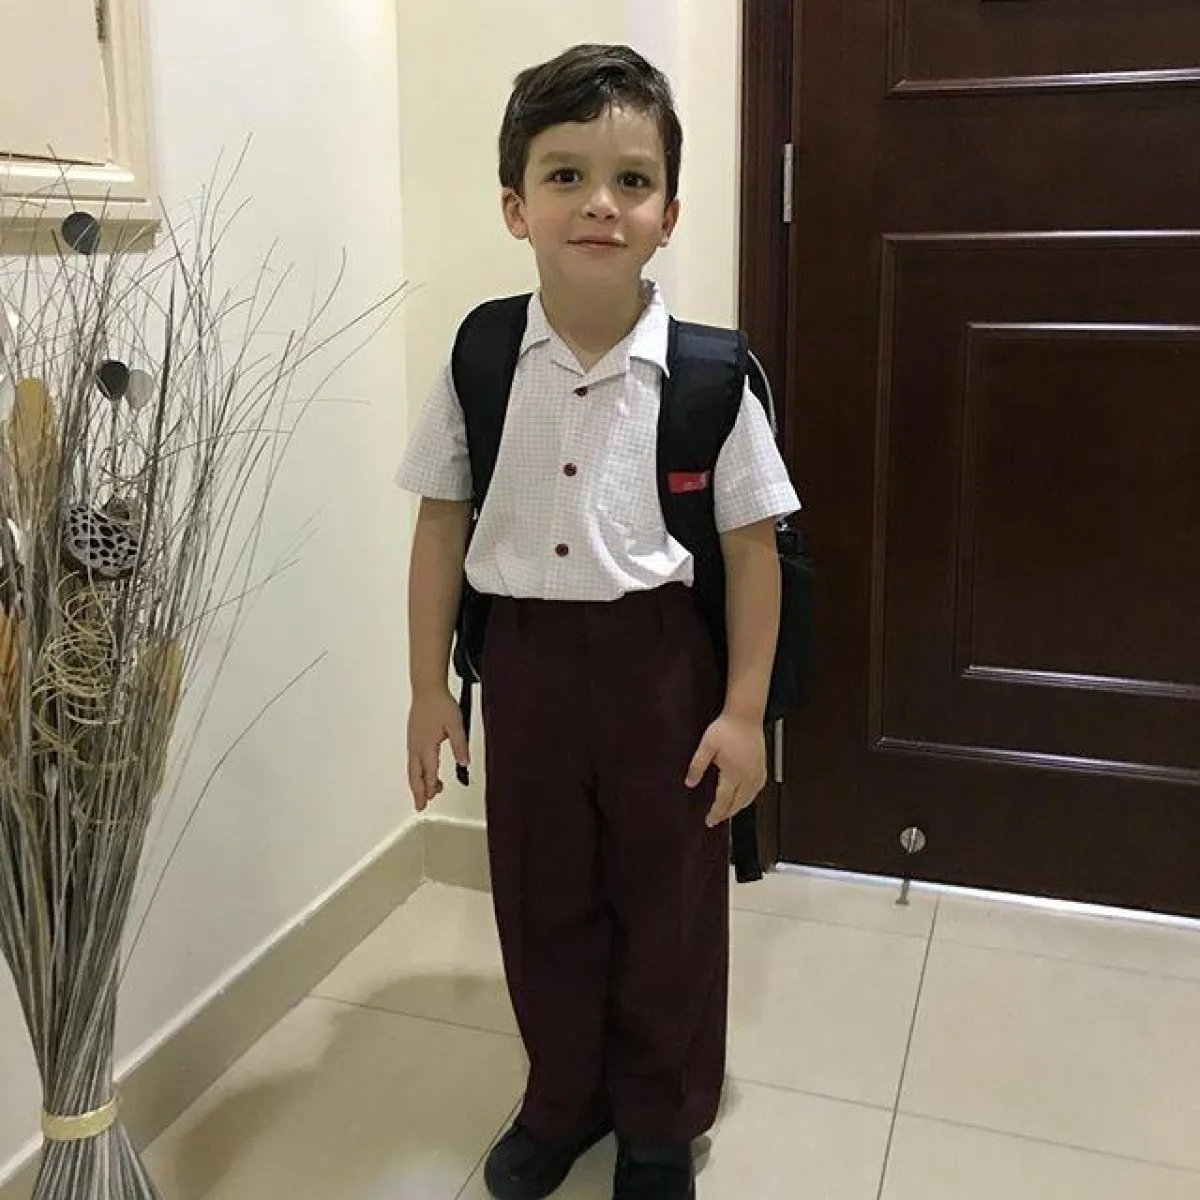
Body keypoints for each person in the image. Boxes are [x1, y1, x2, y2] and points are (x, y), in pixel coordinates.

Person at [397, 44, 799, 1200]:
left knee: (670, 904)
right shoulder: (482, 356)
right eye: (565, 175)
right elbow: (441, 525)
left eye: (632, 180)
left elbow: (751, 550)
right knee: (541, 897)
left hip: (661, 673)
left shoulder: (712, 378)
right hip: (524, 668)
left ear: (670, 213)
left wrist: (743, 712)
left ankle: (660, 1119)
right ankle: (562, 1099)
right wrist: (428, 689)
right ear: (516, 205)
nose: (600, 204)